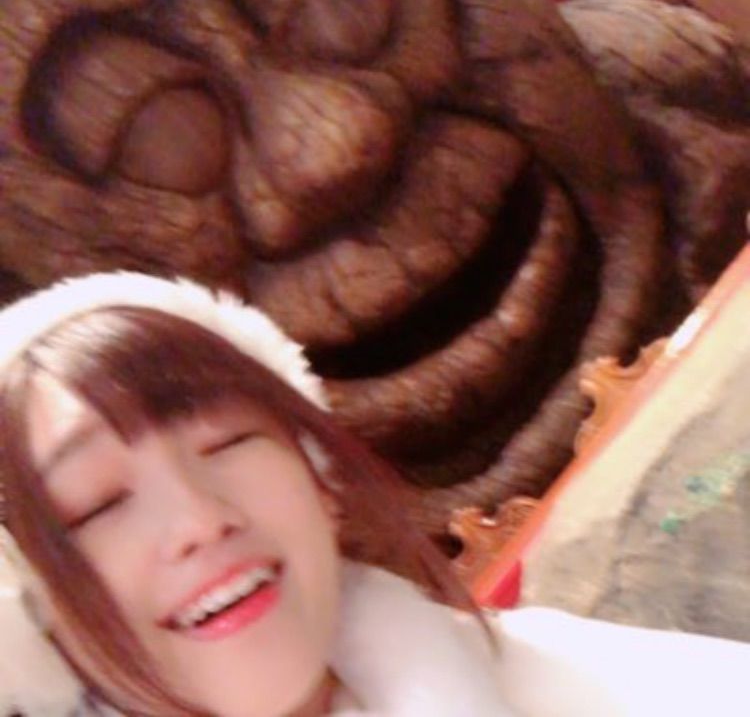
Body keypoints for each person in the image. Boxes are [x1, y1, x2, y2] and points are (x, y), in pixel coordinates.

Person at [0, 271, 748, 717]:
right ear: (28, 613)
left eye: (227, 443)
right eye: (96, 503)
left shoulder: (583, 681)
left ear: (319, 480)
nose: (200, 518)